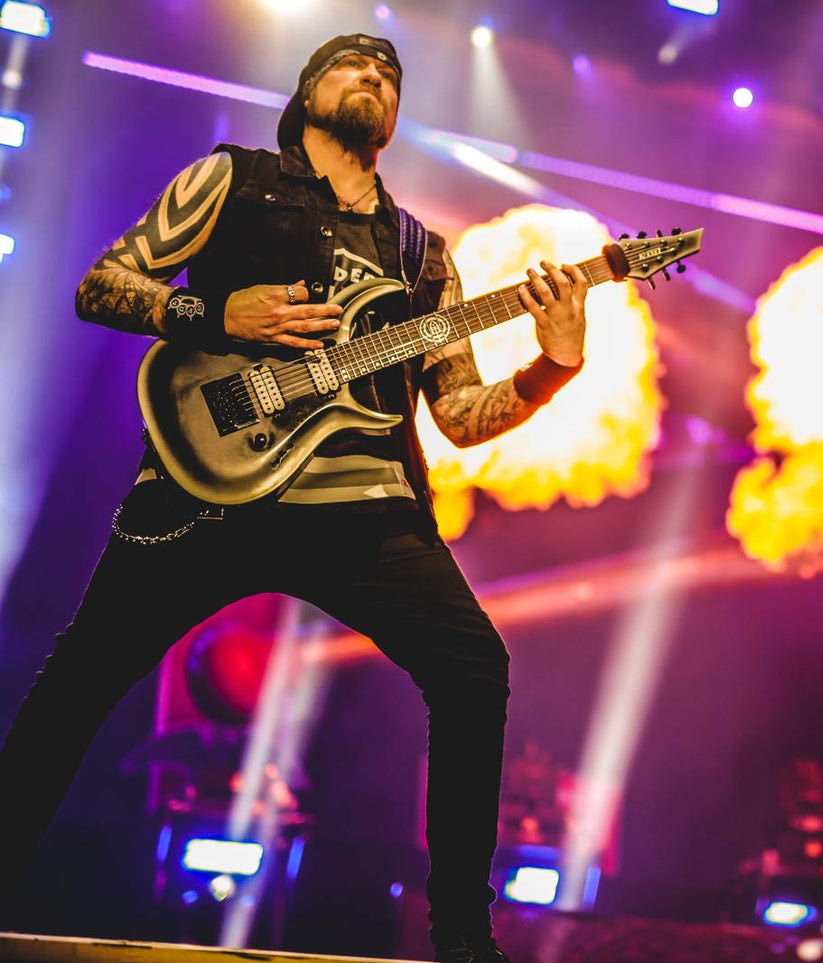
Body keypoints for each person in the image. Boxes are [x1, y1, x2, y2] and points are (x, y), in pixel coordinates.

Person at [0, 34, 589, 963]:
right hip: (204, 483)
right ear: (307, 91)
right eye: (352, 65)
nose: (374, 77)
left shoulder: (421, 255)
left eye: (389, 76)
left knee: (474, 667)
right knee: (77, 683)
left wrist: (553, 365)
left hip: (366, 509)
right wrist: (210, 313)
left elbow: (464, 417)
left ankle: (464, 938)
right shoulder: (229, 179)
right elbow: (102, 283)